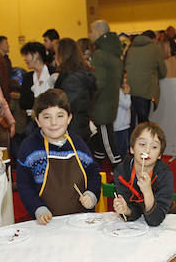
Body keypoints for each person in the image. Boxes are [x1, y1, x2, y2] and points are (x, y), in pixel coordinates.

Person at [15, 89, 100, 224]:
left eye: (60, 116)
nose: (54, 122)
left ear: (69, 118)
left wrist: (91, 195)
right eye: (47, 117)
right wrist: (39, 209)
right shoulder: (29, 148)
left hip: (80, 221)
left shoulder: (78, 144)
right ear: (37, 120)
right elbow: (24, 185)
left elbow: (93, 173)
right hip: (47, 222)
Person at [113, 122, 173, 226]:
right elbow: (134, 210)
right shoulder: (122, 172)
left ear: (160, 155)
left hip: (163, 223)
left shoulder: (164, 174)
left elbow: (155, 220)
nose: (147, 150)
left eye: (154, 147)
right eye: (142, 144)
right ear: (132, 148)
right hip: (136, 226)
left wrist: (147, 191)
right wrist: (127, 210)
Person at [89, 20, 125, 167]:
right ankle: (95, 171)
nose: (89, 35)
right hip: (110, 104)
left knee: (109, 146)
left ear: (98, 32)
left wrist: (89, 100)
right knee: (100, 146)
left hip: (101, 108)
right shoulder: (115, 53)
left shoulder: (99, 55)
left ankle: (120, 176)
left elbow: (98, 83)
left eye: (91, 31)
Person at [53, 38, 97, 145]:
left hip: (73, 128)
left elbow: (67, 106)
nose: (55, 57)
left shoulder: (71, 79)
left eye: (56, 53)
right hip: (80, 125)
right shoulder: (78, 74)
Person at [123, 30, 167, 128]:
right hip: (145, 91)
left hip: (128, 90)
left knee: (130, 123)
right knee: (143, 123)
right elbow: (163, 72)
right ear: (153, 39)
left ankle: (131, 142)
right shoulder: (155, 49)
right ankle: (143, 143)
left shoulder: (130, 48)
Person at [18, 41, 55, 117]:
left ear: (36, 54)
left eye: (26, 55)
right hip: (32, 120)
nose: (25, 59)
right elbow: (23, 103)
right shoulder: (27, 77)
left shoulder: (54, 73)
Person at [114, 72, 132, 158]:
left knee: (124, 148)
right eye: (124, 78)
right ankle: (118, 168)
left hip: (124, 125)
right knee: (120, 149)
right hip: (119, 125)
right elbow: (127, 104)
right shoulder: (118, 91)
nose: (126, 80)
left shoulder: (121, 90)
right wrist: (128, 94)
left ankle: (122, 167)